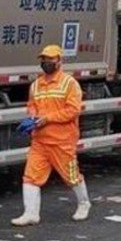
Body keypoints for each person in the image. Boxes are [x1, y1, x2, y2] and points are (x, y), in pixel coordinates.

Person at [11, 44, 91, 226]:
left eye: (50, 59)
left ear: (59, 61)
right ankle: (31, 213)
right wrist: (32, 116)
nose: (46, 63)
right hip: (40, 141)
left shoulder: (69, 84)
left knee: (71, 176)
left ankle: (84, 203)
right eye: (44, 59)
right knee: (30, 176)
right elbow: (32, 104)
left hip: (62, 142)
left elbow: (72, 110)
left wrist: (47, 118)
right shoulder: (36, 85)